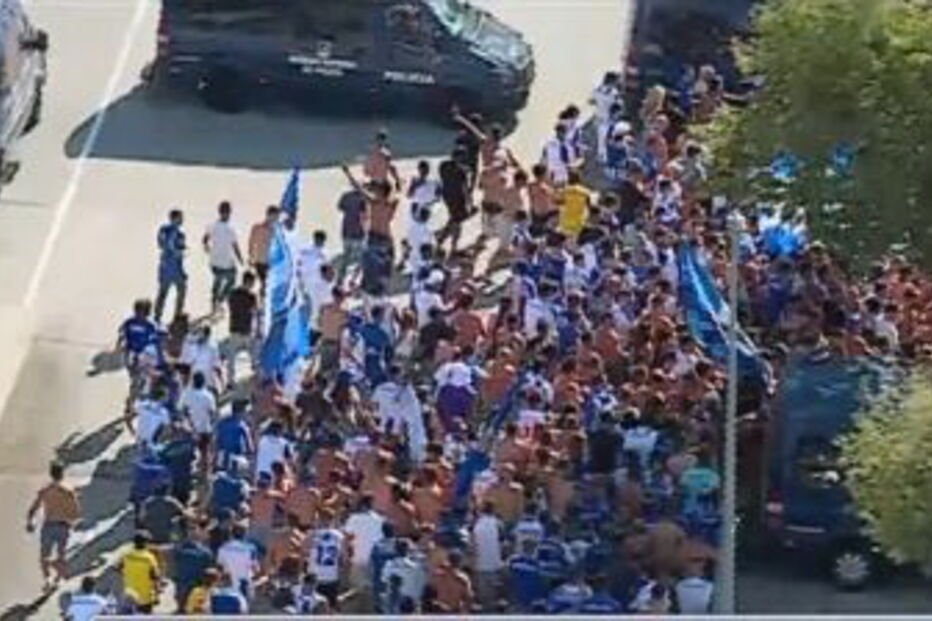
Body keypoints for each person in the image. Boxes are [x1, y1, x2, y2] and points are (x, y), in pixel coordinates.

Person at [26, 461, 81, 590]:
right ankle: (57, 580)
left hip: (49, 525)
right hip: (63, 526)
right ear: (62, 474)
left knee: (44, 555)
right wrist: (72, 521)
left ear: (51, 474)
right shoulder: (69, 491)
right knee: (61, 555)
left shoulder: (45, 490)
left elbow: (33, 508)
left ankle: (47, 579)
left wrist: (30, 522)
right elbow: (76, 513)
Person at [343, 494, 386, 609]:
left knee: (357, 594)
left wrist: (346, 557)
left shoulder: (353, 518)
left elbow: (346, 539)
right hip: (374, 561)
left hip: (357, 559)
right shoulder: (380, 520)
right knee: (370, 595)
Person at [203, 201, 244, 315]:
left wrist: (206, 247)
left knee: (220, 281)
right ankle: (218, 301)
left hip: (217, 261)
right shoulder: (230, 228)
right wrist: (240, 259)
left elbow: (205, 238)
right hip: (223, 262)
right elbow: (235, 246)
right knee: (229, 280)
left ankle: (216, 302)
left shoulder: (212, 226)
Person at [309, 508, 350, 607]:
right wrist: (344, 577)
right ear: (332, 520)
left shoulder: (312, 535)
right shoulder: (340, 536)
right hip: (332, 577)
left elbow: (302, 553)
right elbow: (345, 559)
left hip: (314, 577)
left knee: (314, 608)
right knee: (331, 609)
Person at [225, 271, 258, 390]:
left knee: (231, 358)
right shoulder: (251, 297)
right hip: (247, 330)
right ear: (249, 282)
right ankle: (257, 379)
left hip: (234, 328)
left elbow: (230, 306)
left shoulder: (233, 294)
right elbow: (255, 312)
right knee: (254, 357)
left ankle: (230, 382)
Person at [437, 146, 473, 253]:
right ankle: (452, 246)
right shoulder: (462, 171)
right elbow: (465, 189)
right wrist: (469, 202)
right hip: (458, 198)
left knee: (454, 219)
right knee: (457, 222)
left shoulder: (443, 165)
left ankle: (442, 238)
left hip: (447, 196)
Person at [155, 208, 187, 324]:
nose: (182, 220)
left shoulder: (177, 233)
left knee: (176, 291)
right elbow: (164, 244)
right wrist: (175, 250)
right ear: (174, 218)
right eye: (180, 217)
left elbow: (180, 249)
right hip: (169, 267)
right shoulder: (169, 231)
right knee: (166, 292)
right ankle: (163, 316)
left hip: (171, 267)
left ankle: (172, 315)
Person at [472, 501, 505, 610]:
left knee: (481, 590)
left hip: (480, 563)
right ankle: (498, 604)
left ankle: (481, 607)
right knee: (496, 588)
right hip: (495, 562)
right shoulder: (498, 523)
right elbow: (503, 542)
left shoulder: (476, 524)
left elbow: (473, 543)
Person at [120, 531, 161, 613]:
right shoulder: (149, 558)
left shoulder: (126, 555)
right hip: (145, 598)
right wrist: (157, 596)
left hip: (130, 597)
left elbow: (118, 568)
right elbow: (155, 578)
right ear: (145, 543)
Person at [337, 181, 368, 285]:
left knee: (346, 257)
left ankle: (340, 279)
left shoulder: (346, 196)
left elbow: (340, 208)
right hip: (358, 232)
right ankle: (354, 280)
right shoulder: (363, 199)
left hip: (346, 230)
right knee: (362, 259)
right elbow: (363, 217)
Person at [217, 522, 259, 598]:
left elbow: (220, 567)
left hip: (227, 586)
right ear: (245, 534)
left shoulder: (223, 547)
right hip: (244, 586)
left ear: (231, 534)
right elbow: (256, 569)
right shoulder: (251, 548)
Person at [248, 205, 279, 295]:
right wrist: (250, 256)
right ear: (269, 215)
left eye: (276, 217)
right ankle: (263, 300)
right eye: (275, 216)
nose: (276, 219)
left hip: (271, 262)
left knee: (267, 283)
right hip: (259, 260)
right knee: (264, 282)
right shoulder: (257, 227)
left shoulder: (276, 231)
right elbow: (251, 242)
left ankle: (263, 300)